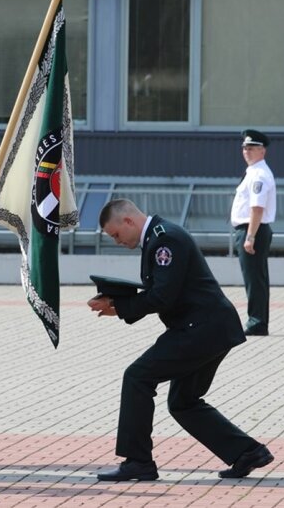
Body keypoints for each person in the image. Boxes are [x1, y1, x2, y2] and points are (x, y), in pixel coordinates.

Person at [88, 199, 273, 481]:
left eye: (115, 234)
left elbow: (163, 295)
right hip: (209, 329)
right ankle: (248, 452)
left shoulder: (165, 240)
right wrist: (118, 304)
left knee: (138, 376)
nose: (116, 241)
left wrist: (120, 306)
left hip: (200, 330)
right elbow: (162, 291)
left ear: (128, 221)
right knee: (183, 402)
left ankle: (138, 461)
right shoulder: (157, 237)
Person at [230, 129, 276, 336]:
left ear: (262, 151)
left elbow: (257, 208)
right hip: (252, 229)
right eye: (244, 148)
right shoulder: (254, 172)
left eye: (252, 148)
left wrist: (250, 236)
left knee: (254, 279)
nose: (246, 151)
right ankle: (258, 320)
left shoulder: (259, 174)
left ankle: (257, 322)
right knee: (255, 278)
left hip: (252, 229)